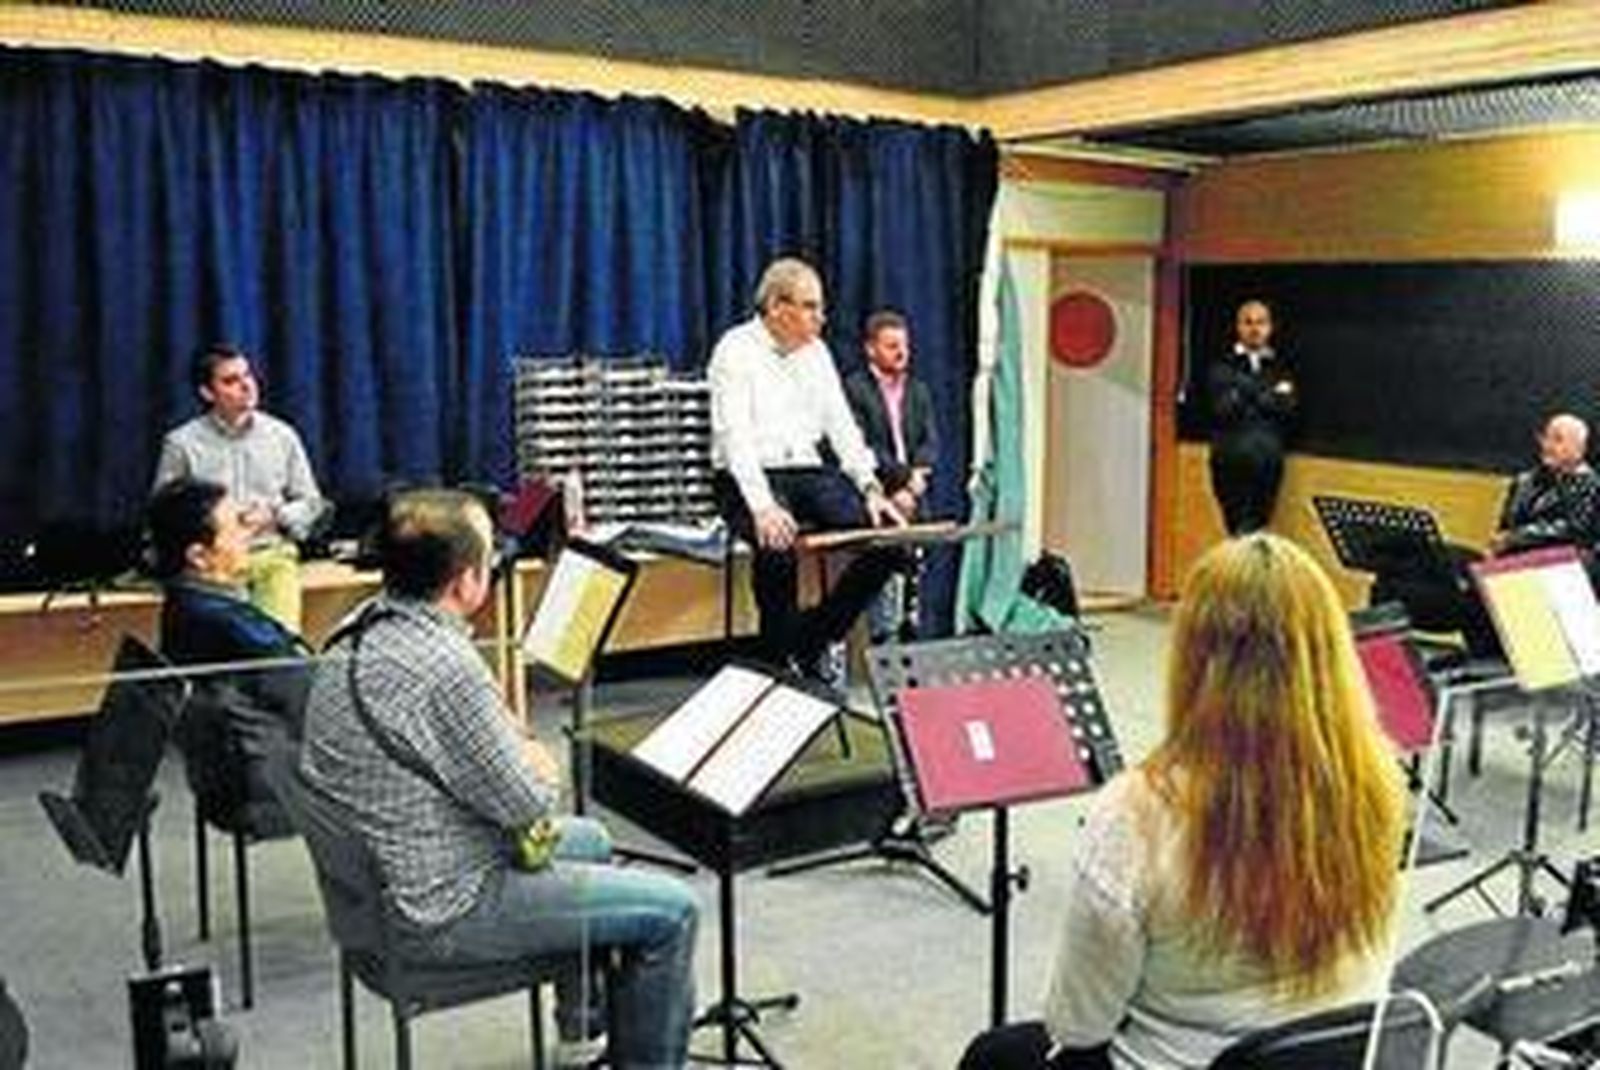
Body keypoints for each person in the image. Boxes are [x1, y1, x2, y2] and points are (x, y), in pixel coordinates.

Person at [961, 534, 1405, 1070]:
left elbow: (1077, 1025)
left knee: (993, 1057)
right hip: (1336, 1056)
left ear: (1194, 660)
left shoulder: (1137, 812)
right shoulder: (1376, 775)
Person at [299, 489, 698, 1068]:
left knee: (592, 841)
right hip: (439, 912)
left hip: (382, 887)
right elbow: (531, 802)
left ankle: (583, 1038)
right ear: (466, 583)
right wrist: (533, 754)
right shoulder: (446, 667)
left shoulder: (354, 629)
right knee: (674, 911)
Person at [709, 257, 906, 678]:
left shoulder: (817, 353)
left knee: (891, 542)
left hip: (806, 471)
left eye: (820, 307)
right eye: (811, 306)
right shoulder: (734, 349)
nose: (822, 317)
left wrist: (871, 488)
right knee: (777, 547)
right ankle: (777, 661)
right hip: (747, 478)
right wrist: (762, 506)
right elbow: (735, 436)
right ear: (778, 307)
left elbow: (841, 426)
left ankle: (813, 635)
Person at [148, 477, 310, 824]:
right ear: (199, 556)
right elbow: (309, 696)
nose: (250, 532)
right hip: (262, 788)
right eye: (237, 524)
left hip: (225, 774)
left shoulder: (184, 603)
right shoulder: (225, 623)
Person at [153, 343, 325, 632]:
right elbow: (164, 517)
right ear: (207, 393)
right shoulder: (182, 443)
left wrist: (276, 515)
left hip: (270, 556)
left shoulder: (281, 435)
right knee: (224, 650)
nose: (246, 386)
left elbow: (312, 505)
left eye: (247, 375)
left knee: (279, 653)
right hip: (211, 566)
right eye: (231, 380)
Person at [844, 309, 940, 641]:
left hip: (913, 492)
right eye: (891, 346)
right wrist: (901, 480)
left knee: (914, 560)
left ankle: (909, 627)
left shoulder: (918, 390)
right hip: (876, 492)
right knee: (883, 559)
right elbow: (861, 445)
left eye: (905, 346)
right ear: (871, 349)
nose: (901, 353)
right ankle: (881, 634)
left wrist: (916, 479)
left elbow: (930, 442)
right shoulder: (854, 388)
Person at [1207, 300, 1295, 535]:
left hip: (1269, 459)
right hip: (1230, 459)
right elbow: (1223, 409)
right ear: (1238, 327)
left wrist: (1243, 389)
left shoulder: (1282, 366)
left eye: (1261, 322)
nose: (1255, 328)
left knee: (1260, 531)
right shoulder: (1221, 365)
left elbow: (1286, 409)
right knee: (1236, 532)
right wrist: (1267, 392)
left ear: (1270, 327)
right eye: (1248, 322)